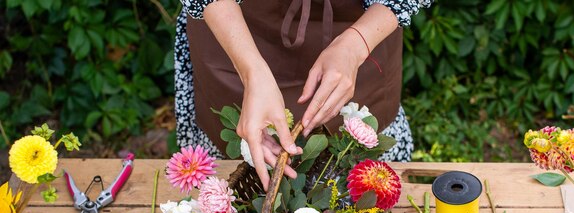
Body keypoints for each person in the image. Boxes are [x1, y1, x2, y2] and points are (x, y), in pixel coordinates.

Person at [175, 0, 431, 189]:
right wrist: (251, 72)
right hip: (236, 32)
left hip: (364, 29)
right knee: (238, 199)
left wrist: (356, 45)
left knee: (364, 197)